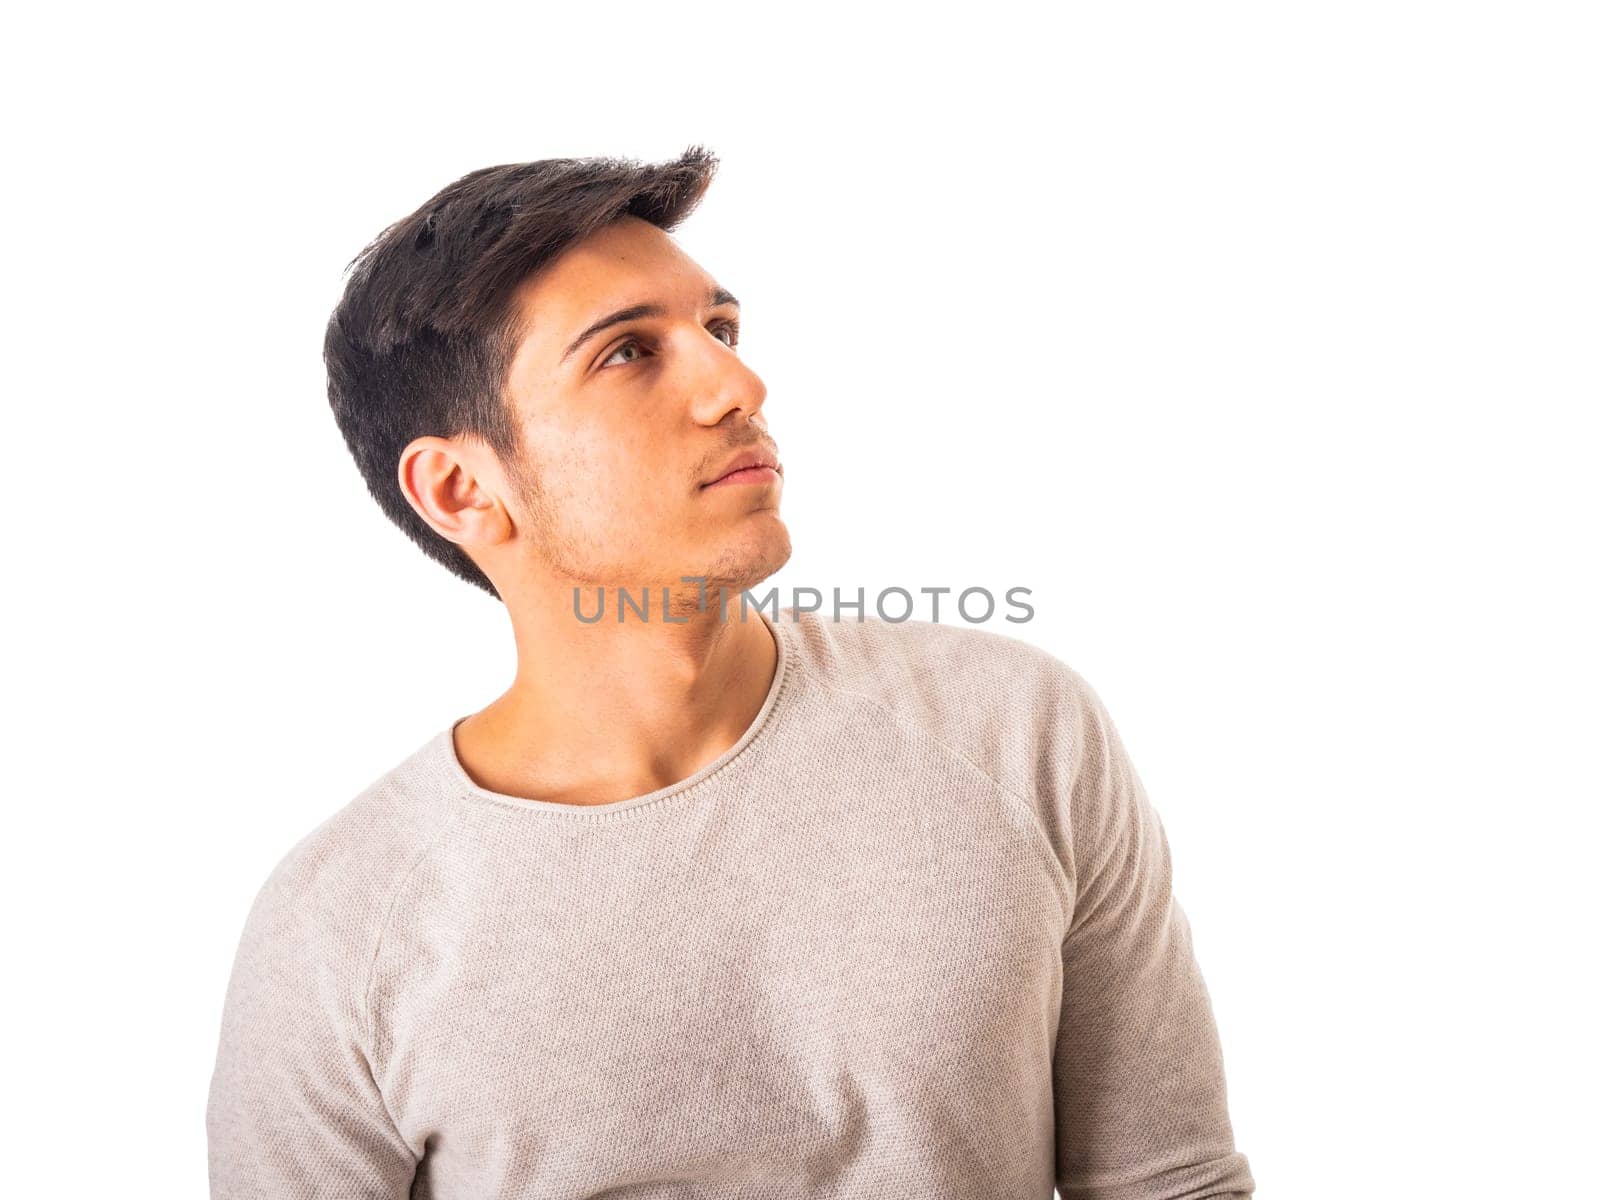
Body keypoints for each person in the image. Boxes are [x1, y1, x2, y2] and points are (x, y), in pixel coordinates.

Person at [205, 148, 1255, 1199]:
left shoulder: (1014, 730)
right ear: (461, 488)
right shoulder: (338, 932)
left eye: (719, 330)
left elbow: (1171, 1184)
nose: (737, 385)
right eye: (626, 354)